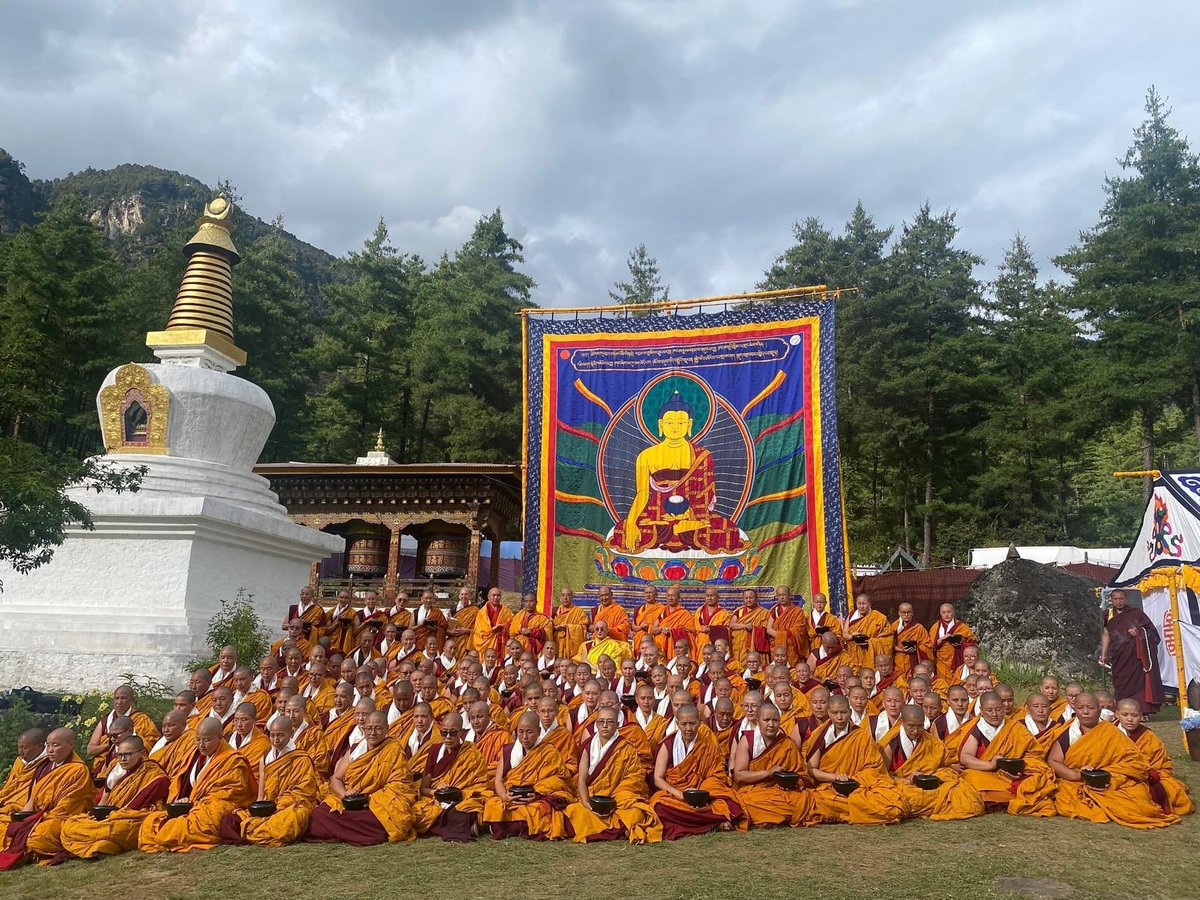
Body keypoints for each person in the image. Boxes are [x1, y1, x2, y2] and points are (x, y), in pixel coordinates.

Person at [610, 389, 747, 554]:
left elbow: (704, 495)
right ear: (660, 425)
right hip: (657, 514)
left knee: (728, 532)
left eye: (681, 422)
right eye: (669, 422)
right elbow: (642, 493)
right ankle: (673, 531)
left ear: (689, 425)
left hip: (692, 516)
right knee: (623, 530)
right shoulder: (645, 456)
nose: (675, 427)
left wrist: (689, 517)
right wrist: (632, 522)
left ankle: (681, 530)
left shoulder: (702, 455)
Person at [1047, 692, 1177, 828]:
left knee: (1139, 800)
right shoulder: (1068, 732)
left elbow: (1135, 763)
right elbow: (1054, 761)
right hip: (1076, 782)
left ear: (1099, 709)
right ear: (1074, 709)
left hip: (1112, 781)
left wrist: (1109, 775)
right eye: (1081, 708)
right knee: (1065, 796)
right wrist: (1075, 774)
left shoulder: (1111, 732)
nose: (1085, 712)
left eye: (1090, 708)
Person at [138, 718, 255, 853]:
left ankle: (167, 835)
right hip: (195, 805)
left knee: (191, 825)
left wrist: (196, 804)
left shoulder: (233, 761)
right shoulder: (194, 755)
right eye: (198, 740)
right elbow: (182, 783)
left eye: (207, 740)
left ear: (220, 737)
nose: (201, 745)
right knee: (150, 821)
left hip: (217, 807)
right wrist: (183, 800)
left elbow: (232, 793)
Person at [307, 711, 417, 845]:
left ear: (387, 729)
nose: (373, 732)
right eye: (369, 728)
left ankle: (343, 831)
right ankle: (355, 832)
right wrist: (345, 795)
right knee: (319, 815)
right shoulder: (355, 749)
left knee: (382, 820)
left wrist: (370, 798)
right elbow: (336, 779)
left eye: (378, 728)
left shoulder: (393, 750)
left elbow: (399, 784)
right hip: (350, 800)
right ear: (363, 728)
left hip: (376, 803)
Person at [56, 735, 170, 862]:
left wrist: (112, 815)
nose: (122, 759)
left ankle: (100, 845)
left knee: (118, 829)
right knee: (69, 824)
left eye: (127, 754)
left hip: (134, 819)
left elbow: (137, 807)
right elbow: (109, 803)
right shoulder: (123, 775)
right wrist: (97, 815)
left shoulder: (154, 774)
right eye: (119, 755)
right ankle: (103, 846)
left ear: (142, 752)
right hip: (113, 816)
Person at [565, 706, 662, 844]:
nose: (605, 726)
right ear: (596, 723)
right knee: (573, 811)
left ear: (617, 725)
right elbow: (581, 780)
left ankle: (607, 828)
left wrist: (613, 802)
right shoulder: (588, 745)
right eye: (601, 722)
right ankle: (619, 829)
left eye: (610, 722)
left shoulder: (626, 747)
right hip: (593, 797)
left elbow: (633, 779)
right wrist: (587, 804)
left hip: (618, 800)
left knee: (637, 812)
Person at [0, 728, 93, 869]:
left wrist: (35, 821)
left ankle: (28, 852)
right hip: (37, 816)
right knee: (6, 825)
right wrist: (22, 819)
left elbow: (67, 808)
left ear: (71, 745)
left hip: (60, 819)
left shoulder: (78, 770)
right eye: (48, 745)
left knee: (39, 835)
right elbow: (31, 801)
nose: (50, 750)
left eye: (56, 745)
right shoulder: (43, 767)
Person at [873, 705, 983, 823]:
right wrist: (904, 780)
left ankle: (914, 807)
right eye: (911, 726)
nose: (915, 731)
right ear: (902, 722)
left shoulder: (931, 741)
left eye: (920, 726)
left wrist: (937, 776)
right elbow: (881, 775)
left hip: (927, 786)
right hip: (901, 786)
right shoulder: (890, 744)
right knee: (888, 799)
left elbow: (943, 766)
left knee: (962, 794)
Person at [219, 717, 318, 847]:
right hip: (269, 805)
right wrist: (260, 808)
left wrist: (280, 804)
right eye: (272, 735)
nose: (275, 740)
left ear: (291, 734)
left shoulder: (301, 759)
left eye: (280, 735)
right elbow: (262, 790)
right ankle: (259, 829)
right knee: (229, 820)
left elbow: (305, 792)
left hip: (290, 806)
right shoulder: (266, 757)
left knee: (289, 821)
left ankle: (253, 831)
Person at [649, 704, 745, 838]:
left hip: (703, 795)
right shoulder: (668, 744)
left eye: (693, 723)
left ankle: (696, 822)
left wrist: (702, 795)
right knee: (658, 806)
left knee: (727, 803)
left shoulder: (707, 744)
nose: (688, 728)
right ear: (677, 723)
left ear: (699, 723)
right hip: (676, 795)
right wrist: (680, 794)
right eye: (684, 724)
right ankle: (714, 823)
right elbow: (658, 778)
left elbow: (716, 776)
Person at [805, 696, 901, 825]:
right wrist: (835, 777)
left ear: (849, 712)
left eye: (843, 712)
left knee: (887, 803)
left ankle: (845, 810)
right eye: (835, 713)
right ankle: (853, 810)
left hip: (857, 786)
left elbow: (874, 768)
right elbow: (811, 770)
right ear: (828, 713)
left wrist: (853, 779)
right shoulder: (820, 735)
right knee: (816, 800)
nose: (839, 717)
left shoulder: (861, 736)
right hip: (829, 786)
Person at [957, 692, 1055, 817]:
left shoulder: (1015, 728)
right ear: (981, 710)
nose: (994, 714)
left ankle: (1003, 799)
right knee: (971, 778)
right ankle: (1005, 799)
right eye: (989, 710)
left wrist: (1019, 769)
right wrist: (990, 765)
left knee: (1036, 780)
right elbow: (966, 758)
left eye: (998, 709)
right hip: (984, 773)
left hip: (1012, 775)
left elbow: (1033, 754)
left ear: (1003, 708)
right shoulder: (977, 728)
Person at [483, 711, 574, 840]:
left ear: (538, 731)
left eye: (530, 732)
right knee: (493, 803)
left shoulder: (549, 751)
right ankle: (514, 825)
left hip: (536, 798)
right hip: (512, 796)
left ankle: (508, 825)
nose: (524, 737)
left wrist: (538, 793)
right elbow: (498, 780)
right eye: (520, 732)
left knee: (538, 810)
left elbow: (561, 780)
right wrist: (504, 796)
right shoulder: (509, 750)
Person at [731, 701, 814, 828]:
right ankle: (772, 816)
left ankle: (767, 817)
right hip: (753, 790)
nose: (771, 724)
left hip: (780, 791)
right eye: (766, 720)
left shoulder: (786, 743)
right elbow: (739, 776)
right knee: (742, 802)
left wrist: (790, 780)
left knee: (802, 800)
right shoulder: (748, 740)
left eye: (775, 720)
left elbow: (802, 776)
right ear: (758, 721)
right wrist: (768, 773)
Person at [412, 712, 490, 841]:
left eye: (453, 733)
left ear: (461, 732)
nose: (448, 737)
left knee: (464, 810)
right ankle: (466, 826)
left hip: (461, 798)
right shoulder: (434, 751)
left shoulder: (471, 753)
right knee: (416, 813)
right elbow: (423, 788)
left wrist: (457, 792)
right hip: (436, 799)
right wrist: (435, 792)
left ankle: (458, 824)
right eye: (444, 733)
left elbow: (480, 786)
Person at [1116, 698, 1194, 817]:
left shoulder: (1148, 737)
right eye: (1125, 715)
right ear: (1117, 714)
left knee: (1166, 791)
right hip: (1114, 775)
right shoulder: (1108, 731)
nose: (1130, 719)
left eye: (1135, 715)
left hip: (1141, 777)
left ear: (1141, 716)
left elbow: (1160, 765)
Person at [1100, 589, 1165, 715]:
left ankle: (1141, 711)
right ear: (1111, 600)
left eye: (1121, 598)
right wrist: (1104, 654)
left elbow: (1150, 631)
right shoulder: (1107, 615)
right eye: (1116, 599)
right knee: (1119, 682)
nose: (1119, 601)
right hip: (1118, 654)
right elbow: (1106, 635)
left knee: (1137, 683)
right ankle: (1123, 710)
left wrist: (1138, 631)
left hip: (1135, 655)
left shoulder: (1136, 613)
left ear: (1126, 599)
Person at [85, 685, 161, 763]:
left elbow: (149, 744)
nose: (119, 702)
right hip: (104, 764)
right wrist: (109, 745)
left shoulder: (141, 719)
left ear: (131, 700)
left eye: (123, 698)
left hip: (129, 762)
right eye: (116, 698)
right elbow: (90, 750)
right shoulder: (106, 720)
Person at [0, 729, 47, 815]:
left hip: (21, 809)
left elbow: (29, 799)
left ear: (40, 746)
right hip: (5, 801)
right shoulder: (20, 761)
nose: (20, 752)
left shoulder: (47, 764)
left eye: (24, 748)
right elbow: (8, 787)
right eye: (19, 747)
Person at [842, 593, 891, 670]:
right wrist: (851, 636)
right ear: (856, 604)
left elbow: (887, 638)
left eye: (864, 604)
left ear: (869, 604)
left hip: (870, 653)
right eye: (859, 604)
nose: (861, 606)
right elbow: (845, 634)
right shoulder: (852, 615)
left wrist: (870, 642)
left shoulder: (879, 617)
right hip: (853, 654)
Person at [932, 603, 977, 682]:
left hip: (958, 659)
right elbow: (930, 646)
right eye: (944, 612)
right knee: (943, 682)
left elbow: (972, 642)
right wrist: (940, 640)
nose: (946, 615)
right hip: (941, 661)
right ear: (940, 613)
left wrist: (962, 644)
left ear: (953, 612)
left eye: (949, 612)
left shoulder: (962, 627)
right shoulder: (935, 627)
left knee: (957, 680)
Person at [766, 584, 810, 665]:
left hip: (792, 646)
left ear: (789, 595)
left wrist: (782, 635)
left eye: (784, 595)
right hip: (777, 645)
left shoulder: (798, 611)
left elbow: (800, 629)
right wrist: (780, 636)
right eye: (779, 595)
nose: (782, 597)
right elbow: (768, 629)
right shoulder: (774, 610)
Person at [149, 710, 195, 779]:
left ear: (184, 725)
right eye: (163, 726)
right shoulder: (163, 741)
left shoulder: (191, 739)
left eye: (171, 725)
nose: (166, 730)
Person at [891, 603, 932, 681]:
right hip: (898, 661)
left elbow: (928, 646)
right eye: (903, 612)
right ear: (899, 613)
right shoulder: (893, 627)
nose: (906, 615)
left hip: (913, 660)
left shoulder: (919, 628)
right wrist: (901, 650)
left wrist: (917, 649)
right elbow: (889, 645)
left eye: (909, 612)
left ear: (912, 613)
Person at [730, 588, 770, 667]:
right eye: (746, 598)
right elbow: (732, 625)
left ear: (756, 598)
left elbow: (766, 630)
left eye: (751, 598)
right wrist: (745, 626)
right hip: (739, 647)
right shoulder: (739, 611)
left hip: (755, 648)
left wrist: (754, 629)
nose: (748, 600)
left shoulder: (764, 612)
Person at [472, 587, 515, 660]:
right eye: (493, 595)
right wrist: (493, 629)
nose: (496, 597)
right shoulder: (482, 613)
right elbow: (479, 632)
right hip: (487, 643)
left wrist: (504, 626)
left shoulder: (506, 611)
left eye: (498, 595)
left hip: (501, 642)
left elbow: (513, 625)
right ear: (488, 597)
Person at [656, 586, 698, 660]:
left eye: (673, 595)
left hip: (676, 646)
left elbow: (691, 632)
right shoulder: (663, 612)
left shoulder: (685, 613)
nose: (670, 598)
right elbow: (653, 629)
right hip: (661, 645)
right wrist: (661, 628)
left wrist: (672, 632)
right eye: (668, 595)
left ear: (678, 597)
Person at [228, 702, 271, 767]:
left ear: (254, 720)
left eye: (243, 720)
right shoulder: (228, 737)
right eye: (236, 720)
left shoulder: (262, 743)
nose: (239, 724)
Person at [553, 588, 589, 660]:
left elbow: (583, 628)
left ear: (572, 597)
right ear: (560, 597)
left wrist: (568, 627)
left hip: (572, 646)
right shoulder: (555, 611)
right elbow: (549, 627)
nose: (565, 598)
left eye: (568, 595)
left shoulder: (579, 611)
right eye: (563, 595)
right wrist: (554, 628)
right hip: (557, 642)